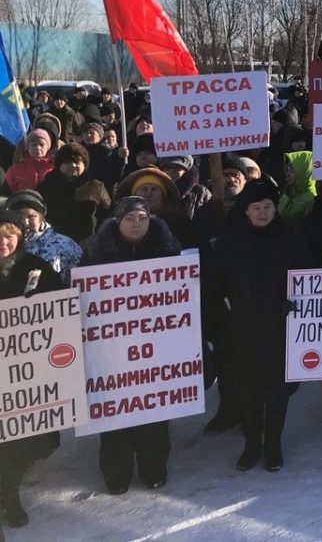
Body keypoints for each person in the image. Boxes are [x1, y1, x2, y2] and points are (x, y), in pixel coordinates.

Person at [82, 197, 182, 493]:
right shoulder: (97, 254)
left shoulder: (167, 250)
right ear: (117, 221)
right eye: (130, 218)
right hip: (112, 350)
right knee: (115, 412)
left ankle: (154, 469)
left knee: (153, 411)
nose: (136, 223)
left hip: (156, 349)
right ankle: (116, 474)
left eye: (142, 217)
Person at [213, 178, 313, 472]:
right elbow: (214, 283)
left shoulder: (289, 235)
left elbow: (307, 275)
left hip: (281, 327)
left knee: (277, 391)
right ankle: (252, 444)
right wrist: (224, 313)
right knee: (248, 390)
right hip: (241, 328)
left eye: (267, 207)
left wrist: (294, 303)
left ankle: (273, 445)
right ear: (246, 211)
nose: (262, 213)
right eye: (256, 208)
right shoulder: (231, 240)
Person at [0, 207, 63, 528]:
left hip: (27, 373)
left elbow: (63, 304)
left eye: (9, 235)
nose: (4, 242)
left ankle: (9, 496)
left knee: (17, 441)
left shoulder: (34, 267)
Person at [36, 142, 111, 244]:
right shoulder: (46, 186)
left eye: (77, 162)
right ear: (59, 165)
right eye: (67, 162)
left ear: (84, 165)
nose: (73, 165)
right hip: (54, 243)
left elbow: (108, 214)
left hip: (89, 244)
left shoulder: (96, 186)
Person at [6, 189, 82, 284]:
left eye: (31, 216)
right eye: (19, 215)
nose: (25, 222)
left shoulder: (65, 245)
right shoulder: (4, 246)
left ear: (41, 217)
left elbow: (81, 281)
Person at [5, 129, 55, 194]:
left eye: (41, 145)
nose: (38, 148)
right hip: (25, 202)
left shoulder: (54, 167)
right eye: (34, 145)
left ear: (48, 147)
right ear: (28, 147)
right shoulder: (15, 170)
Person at [278, 150, 317, 222]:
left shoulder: (313, 201)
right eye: (287, 169)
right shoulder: (287, 194)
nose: (287, 174)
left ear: (305, 170)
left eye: (292, 169)